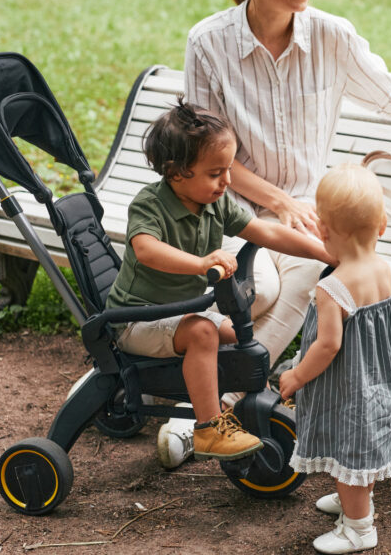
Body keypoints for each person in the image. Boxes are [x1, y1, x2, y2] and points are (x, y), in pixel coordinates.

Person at [156, 0, 391, 469]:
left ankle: (211, 405)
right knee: (255, 292)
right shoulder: (209, 42)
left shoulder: (332, 34)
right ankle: (182, 381)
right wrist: (278, 202)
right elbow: (205, 153)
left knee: (306, 282)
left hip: (307, 213)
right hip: (231, 208)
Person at [105, 98, 334, 463]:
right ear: (176, 171)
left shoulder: (215, 203)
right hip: (138, 319)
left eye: (228, 169)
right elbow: (146, 250)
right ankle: (209, 426)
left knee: (236, 336)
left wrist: (324, 252)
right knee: (204, 333)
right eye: (216, 173)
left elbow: (267, 233)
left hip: (175, 314)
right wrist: (199, 263)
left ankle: (229, 401)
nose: (227, 181)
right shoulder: (150, 205)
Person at [278, 163, 391, 554]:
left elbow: (327, 346)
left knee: (350, 445)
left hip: (348, 387)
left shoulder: (332, 287)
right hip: (381, 380)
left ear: (323, 231)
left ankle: (359, 527)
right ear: (382, 225)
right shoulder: (388, 271)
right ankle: (355, 499)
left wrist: (296, 376)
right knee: (365, 445)